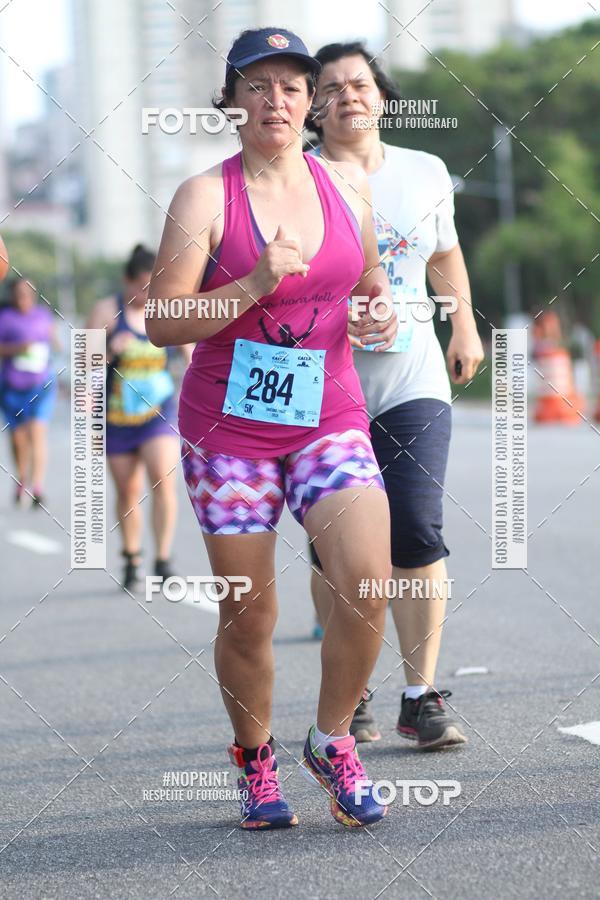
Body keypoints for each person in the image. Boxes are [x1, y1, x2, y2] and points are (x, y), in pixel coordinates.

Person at [146, 28, 399, 830]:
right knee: (250, 614)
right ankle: (255, 763)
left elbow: (366, 274)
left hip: (328, 417)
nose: (277, 100)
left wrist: (375, 304)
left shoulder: (345, 189)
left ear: (312, 102)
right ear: (232, 101)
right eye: (258, 85)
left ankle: (330, 740)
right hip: (228, 432)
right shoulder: (204, 198)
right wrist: (256, 282)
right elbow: (162, 320)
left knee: (366, 581)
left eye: (293, 86)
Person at [307, 42, 485, 749]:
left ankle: (422, 694)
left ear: (382, 96)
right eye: (332, 87)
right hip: (325, 385)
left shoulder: (425, 170)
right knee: (335, 552)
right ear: (313, 106)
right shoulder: (297, 176)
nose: (349, 95)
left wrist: (463, 322)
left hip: (413, 378)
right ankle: (350, 693)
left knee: (415, 527)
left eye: (361, 83)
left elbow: (444, 253)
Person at [87, 245, 190, 591]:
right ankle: (131, 556)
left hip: (159, 413)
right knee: (128, 489)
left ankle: (162, 559)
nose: (146, 294)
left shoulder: (166, 311)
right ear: (126, 281)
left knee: (162, 478)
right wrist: (107, 352)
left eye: (152, 287)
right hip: (117, 417)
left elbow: (192, 359)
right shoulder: (105, 311)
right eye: (140, 286)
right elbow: (86, 367)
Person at [0, 278, 58, 506]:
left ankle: (37, 486)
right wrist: (18, 349)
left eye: (28, 293)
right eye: (19, 294)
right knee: (18, 439)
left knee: (37, 433)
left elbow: (54, 342)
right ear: (12, 296)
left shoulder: (43, 315)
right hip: (12, 388)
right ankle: (21, 477)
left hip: (41, 386)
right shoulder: (5, 318)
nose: (24, 298)